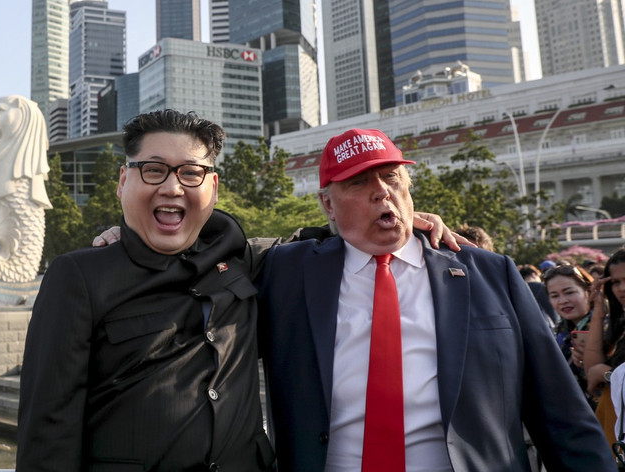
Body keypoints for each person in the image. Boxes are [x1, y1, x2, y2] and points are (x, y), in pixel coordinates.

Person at [17, 111, 465, 471]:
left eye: (191, 173)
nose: (172, 186)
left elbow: (320, 241)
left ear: (212, 187)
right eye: (153, 171)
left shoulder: (245, 260)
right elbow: (48, 427)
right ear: (123, 182)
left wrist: (400, 221)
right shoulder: (79, 276)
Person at [257, 127, 613, 471]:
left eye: (391, 177)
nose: (381, 191)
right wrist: (339, 232)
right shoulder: (288, 273)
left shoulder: (490, 273)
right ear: (327, 204)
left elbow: (561, 412)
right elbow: (223, 246)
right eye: (358, 182)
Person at [584, 247, 625, 446]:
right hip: (613, 431)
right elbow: (591, 370)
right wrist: (599, 309)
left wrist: (607, 374)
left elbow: (598, 372)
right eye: (615, 282)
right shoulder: (620, 323)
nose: (622, 288)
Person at [543, 264, 597, 407]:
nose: (563, 301)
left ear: (589, 290)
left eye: (569, 292)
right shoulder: (559, 331)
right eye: (555, 296)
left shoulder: (609, 327)